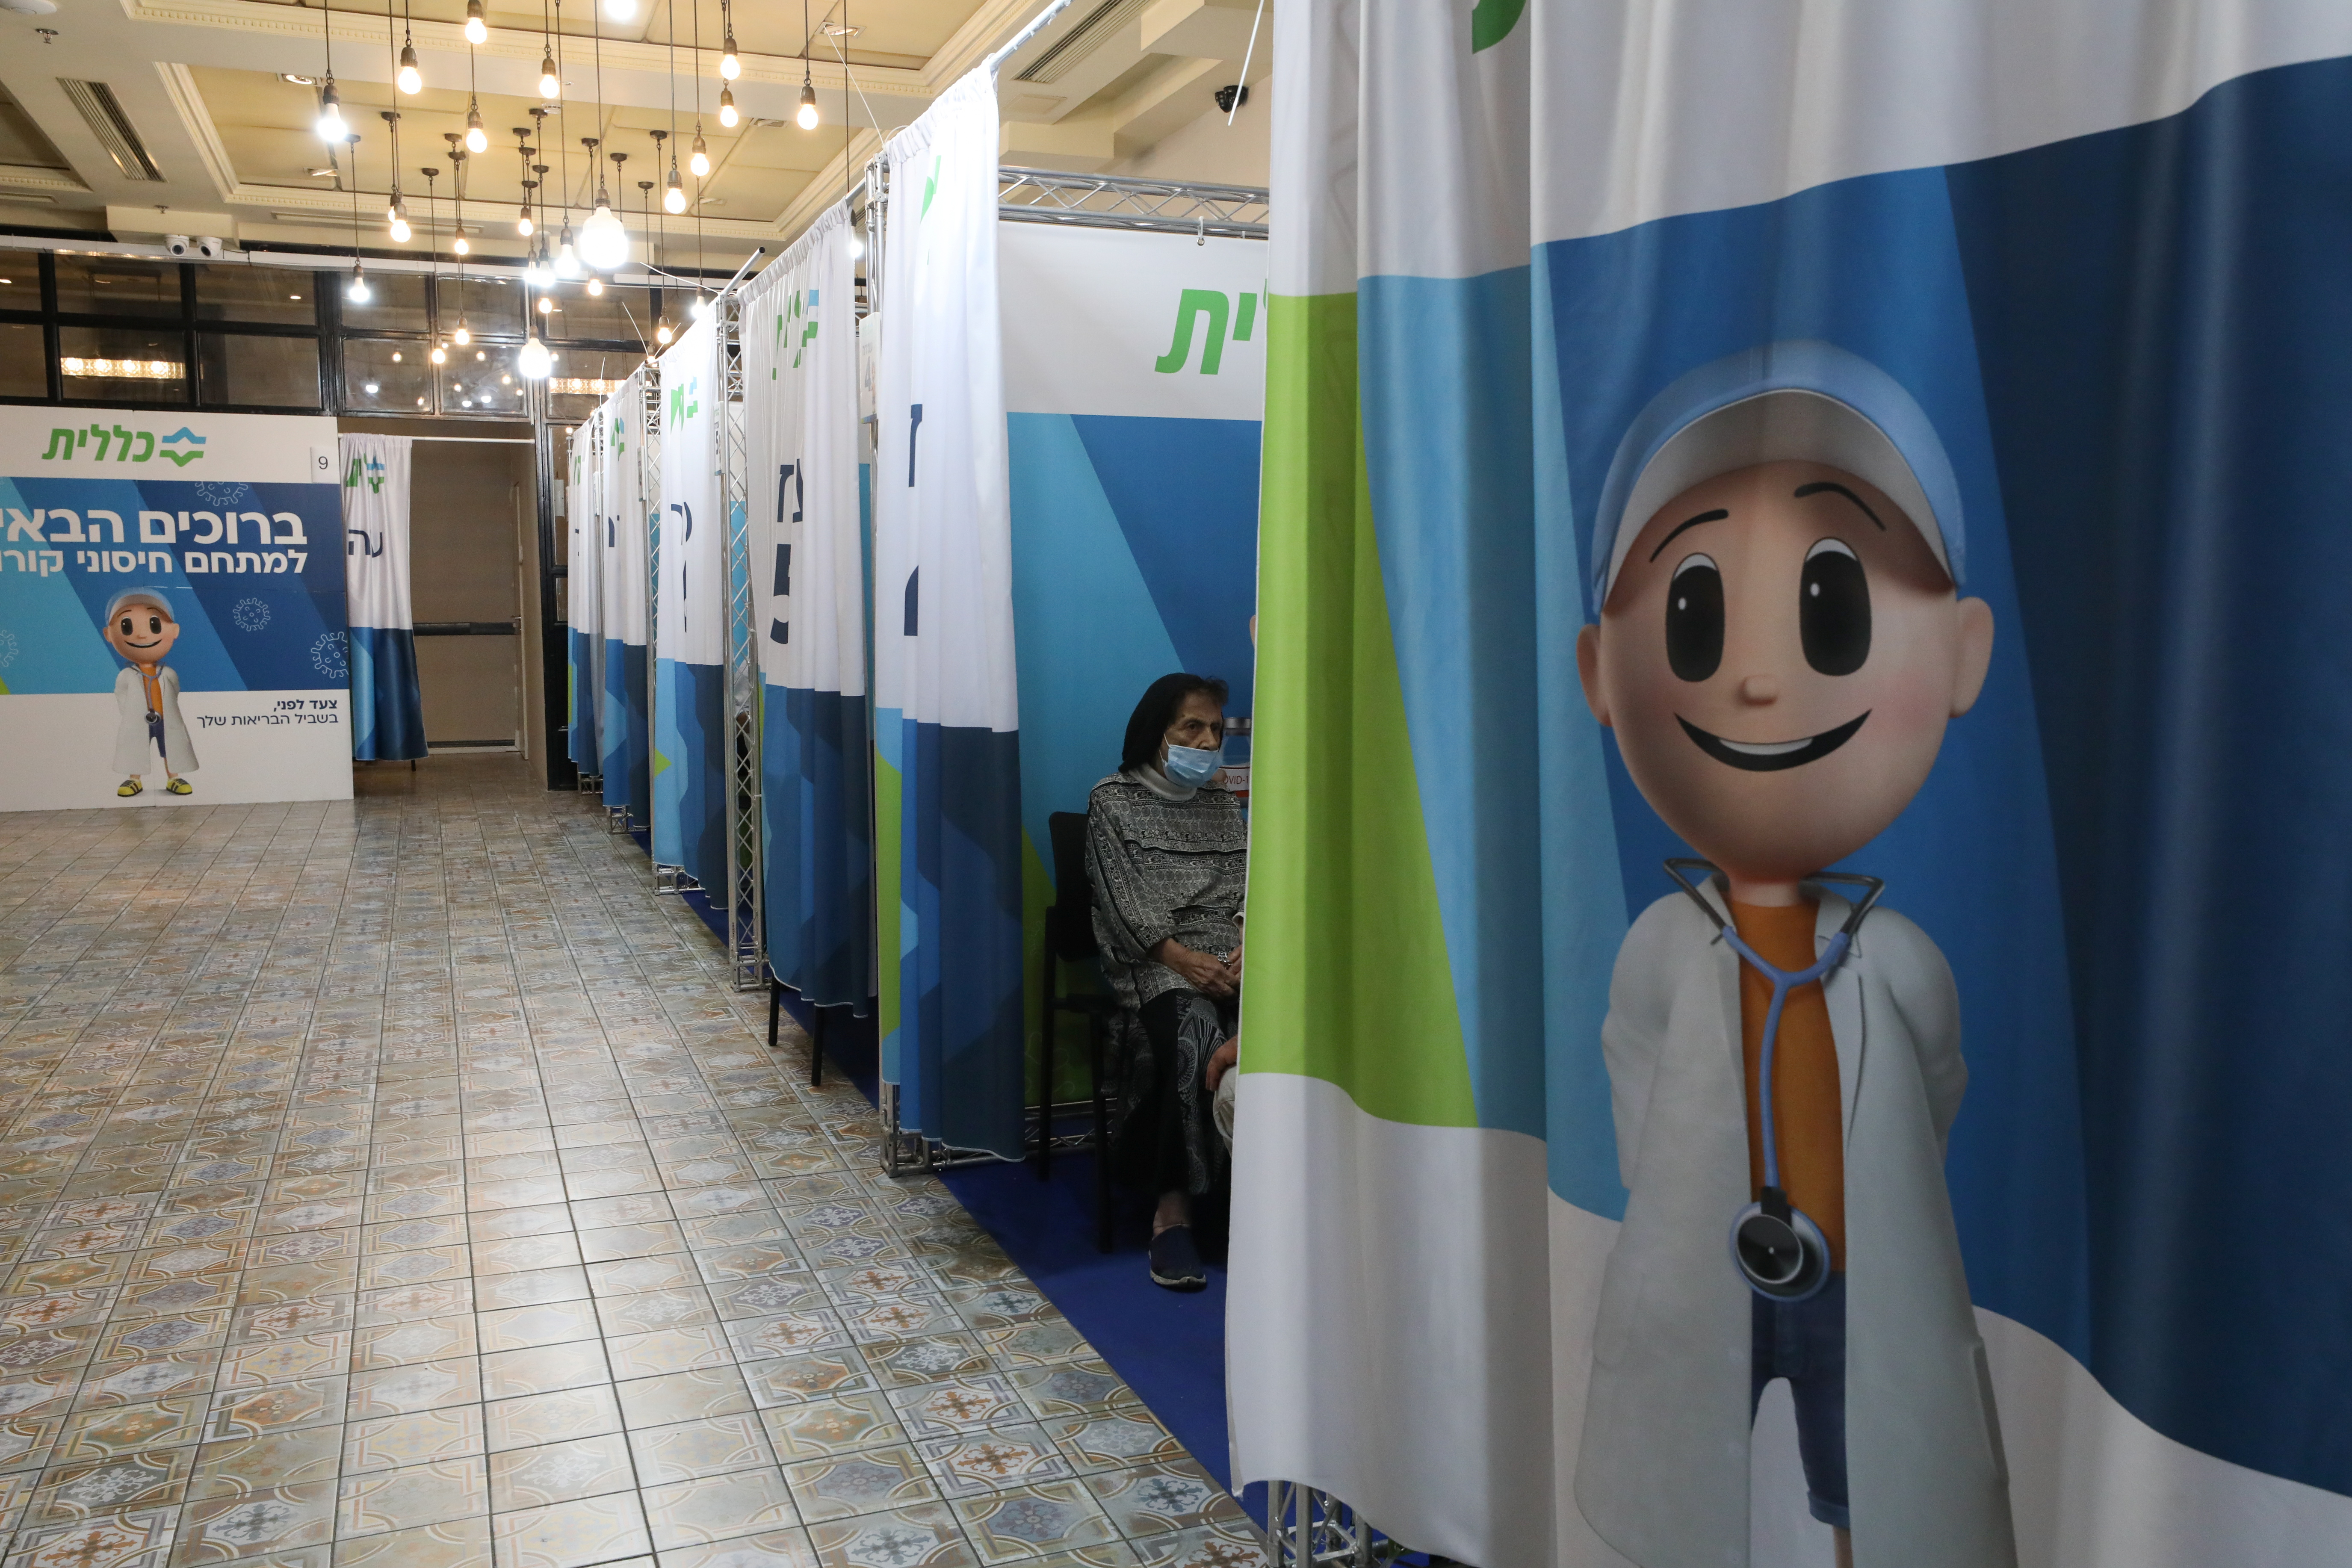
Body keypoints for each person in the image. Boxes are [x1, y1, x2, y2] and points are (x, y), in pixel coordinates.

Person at [1570, 343, 2015, 1568]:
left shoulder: (1897, 957)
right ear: (1599, 670)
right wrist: (1690, 1192)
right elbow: (1636, 1097)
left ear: (1962, 649)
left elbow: (1927, 1101)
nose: (1760, 681)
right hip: (1697, 1272)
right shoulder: (1661, 945)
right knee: (1681, 1499)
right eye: (1695, 617)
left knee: (1871, 1489)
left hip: (1857, 1283)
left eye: (1831, 608)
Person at [1085, 672, 1246, 1291]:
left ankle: (1256, 1200)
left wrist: (1248, 950)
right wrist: (1185, 960)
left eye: (1216, 730)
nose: (1207, 742)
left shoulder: (1223, 804)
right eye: (1192, 727)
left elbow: (1252, 887)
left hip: (1232, 955)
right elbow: (1122, 902)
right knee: (1193, 1034)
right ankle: (1173, 1215)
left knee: (1284, 1025)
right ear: (1157, 732)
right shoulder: (1112, 800)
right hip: (1155, 960)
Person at [104, 588, 198, 798]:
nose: (142, 635)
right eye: (127, 627)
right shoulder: (127, 675)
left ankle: (173, 777)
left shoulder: (168, 673)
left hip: (165, 719)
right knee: (136, 748)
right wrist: (131, 714)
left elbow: (174, 692)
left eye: (154, 625)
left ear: (174, 630)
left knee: (170, 748)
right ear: (109, 634)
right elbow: (121, 696)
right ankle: (134, 779)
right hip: (139, 720)